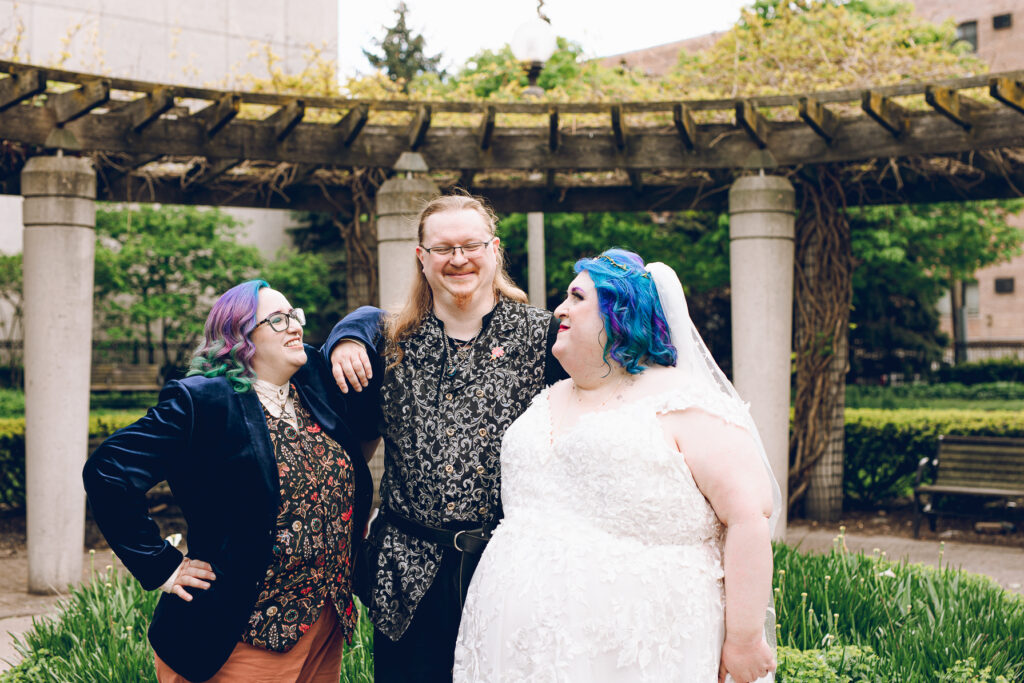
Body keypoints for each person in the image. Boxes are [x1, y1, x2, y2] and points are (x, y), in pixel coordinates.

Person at [452, 249, 782, 683]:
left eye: (576, 297)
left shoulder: (685, 404)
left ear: (621, 311)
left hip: (638, 653)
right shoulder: (547, 399)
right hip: (511, 647)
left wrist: (742, 639)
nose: (560, 310)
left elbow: (748, 517)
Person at [83, 280, 380, 683]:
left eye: (295, 316)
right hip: (240, 635)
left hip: (322, 626)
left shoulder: (312, 388)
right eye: (277, 320)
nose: (294, 326)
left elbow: (376, 318)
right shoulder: (202, 401)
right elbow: (109, 470)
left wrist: (347, 338)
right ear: (239, 337)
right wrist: (162, 566)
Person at [324, 193, 565, 682]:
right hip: (404, 573)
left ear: (494, 250)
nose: (458, 259)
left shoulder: (545, 338)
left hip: (507, 568)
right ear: (422, 257)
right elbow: (354, 452)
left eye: (471, 245)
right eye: (443, 248)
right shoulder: (386, 340)